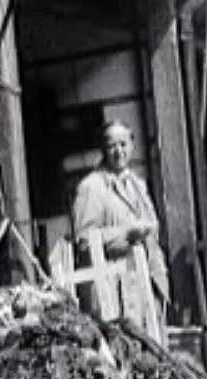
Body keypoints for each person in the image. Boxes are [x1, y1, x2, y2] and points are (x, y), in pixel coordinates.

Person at [72, 120, 170, 328]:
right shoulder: (91, 188)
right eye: (112, 146)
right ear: (103, 150)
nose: (119, 151)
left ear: (132, 145)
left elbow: (153, 227)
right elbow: (84, 241)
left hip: (148, 285)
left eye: (123, 144)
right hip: (117, 294)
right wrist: (127, 233)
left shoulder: (137, 184)